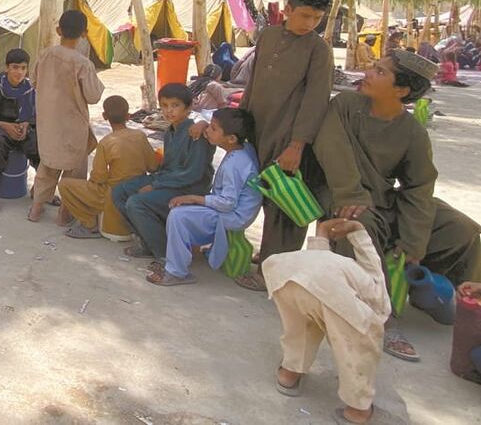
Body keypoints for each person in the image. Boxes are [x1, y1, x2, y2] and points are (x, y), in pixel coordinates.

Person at [313, 51, 481, 362]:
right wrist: (351, 194)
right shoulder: (347, 106)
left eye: (379, 71)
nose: (368, 72)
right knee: (358, 226)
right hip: (344, 196)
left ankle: (459, 299)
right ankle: (381, 319)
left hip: (387, 201)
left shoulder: (412, 132)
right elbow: (330, 146)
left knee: (463, 229)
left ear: (401, 90)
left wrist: (413, 240)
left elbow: (419, 187)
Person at [233, 0, 333, 291]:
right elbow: (252, 84)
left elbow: (316, 99)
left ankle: (272, 274)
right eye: (304, 15)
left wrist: (297, 145)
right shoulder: (268, 36)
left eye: (317, 18)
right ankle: (269, 257)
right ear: (287, 10)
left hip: (289, 137)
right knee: (262, 196)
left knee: (284, 206)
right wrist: (241, 124)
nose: (310, 23)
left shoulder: (319, 50)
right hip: (258, 128)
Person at [263, 219, 389, 425]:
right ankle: (358, 410)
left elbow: (317, 257)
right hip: (325, 286)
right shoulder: (371, 280)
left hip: (285, 271)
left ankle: (289, 374)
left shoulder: (332, 260)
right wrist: (358, 231)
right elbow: (379, 308)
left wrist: (321, 230)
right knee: (358, 347)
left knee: (301, 327)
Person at [149, 108, 260, 285]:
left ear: (231, 138)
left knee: (179, 216)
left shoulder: (235, 165)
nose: (208, 130)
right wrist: (203, 124)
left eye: (213, 129)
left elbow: (228, 203)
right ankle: (181, 257)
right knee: (185, 207)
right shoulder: (242, 147)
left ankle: (177, 271)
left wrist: (194, 198)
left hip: (233, 215)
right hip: (231, 209)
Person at [114, 83, 215, 265]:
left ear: (188, 107)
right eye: (165, 106)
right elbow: (167, 167)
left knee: (136, 202)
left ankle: (165, 254)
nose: (169, 111)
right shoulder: (170, 132)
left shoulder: (196, 133)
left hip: (188, 187)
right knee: (120, 192)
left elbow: (192, 174)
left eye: (175, 105)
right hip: (167, 180)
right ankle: (148, 242)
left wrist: (154, 185)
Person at [28, 10, 106, 222]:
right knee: (75, 169)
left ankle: (36, 209)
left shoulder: (45, 55)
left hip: (48, 121)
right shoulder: (83, 64)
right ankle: (65, 212)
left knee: (48, 166)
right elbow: (93, 96)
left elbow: (33, 81)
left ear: (58, 30)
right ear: (84, 34)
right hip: (73, 125)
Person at [59, 95, 159, 239]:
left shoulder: (106, 143)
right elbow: (153, 166)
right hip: (137, 188)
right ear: (128, 116)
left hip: (111, 192)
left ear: (104, 116)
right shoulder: (140, 136)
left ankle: (89, 225)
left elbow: (98, 177)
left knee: (65, 185)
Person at [0, 48, 39, 213]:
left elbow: (34, 116)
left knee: (41, 145)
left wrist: (26, 125)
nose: (19, 72)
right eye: (15, 67)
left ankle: (40, 190)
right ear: (7, 67)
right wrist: (5, 125)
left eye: (23, 68)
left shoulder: (29, 88)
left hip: (20, 129)